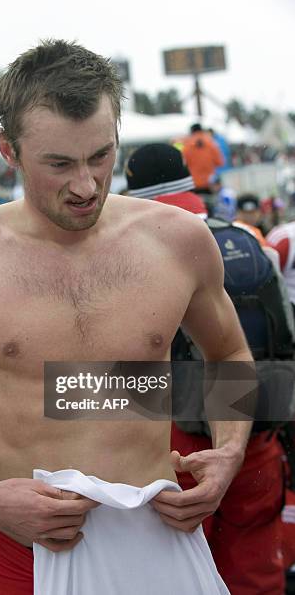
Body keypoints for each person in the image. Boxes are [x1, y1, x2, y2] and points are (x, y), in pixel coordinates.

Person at [0, 40, 253, 594]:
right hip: (23, 549)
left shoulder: (176, 240)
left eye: (100, 157)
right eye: (59, 163)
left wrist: (229, 453)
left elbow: (227, 354)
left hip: (157, 538)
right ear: (9, 150)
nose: (85, 186)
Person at [125, 142, 289, 595]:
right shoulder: (249, 240)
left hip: (173, 446)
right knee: (254, 569)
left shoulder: (134, 249)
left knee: (172, 573)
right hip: (256, 438)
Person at [182, 123, 224, 214]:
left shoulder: (187, 145)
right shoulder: (211, 143)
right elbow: (220, 162)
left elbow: (184, 164)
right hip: (210, 185)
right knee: (211, 210)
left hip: (194, 184)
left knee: (197, 210)